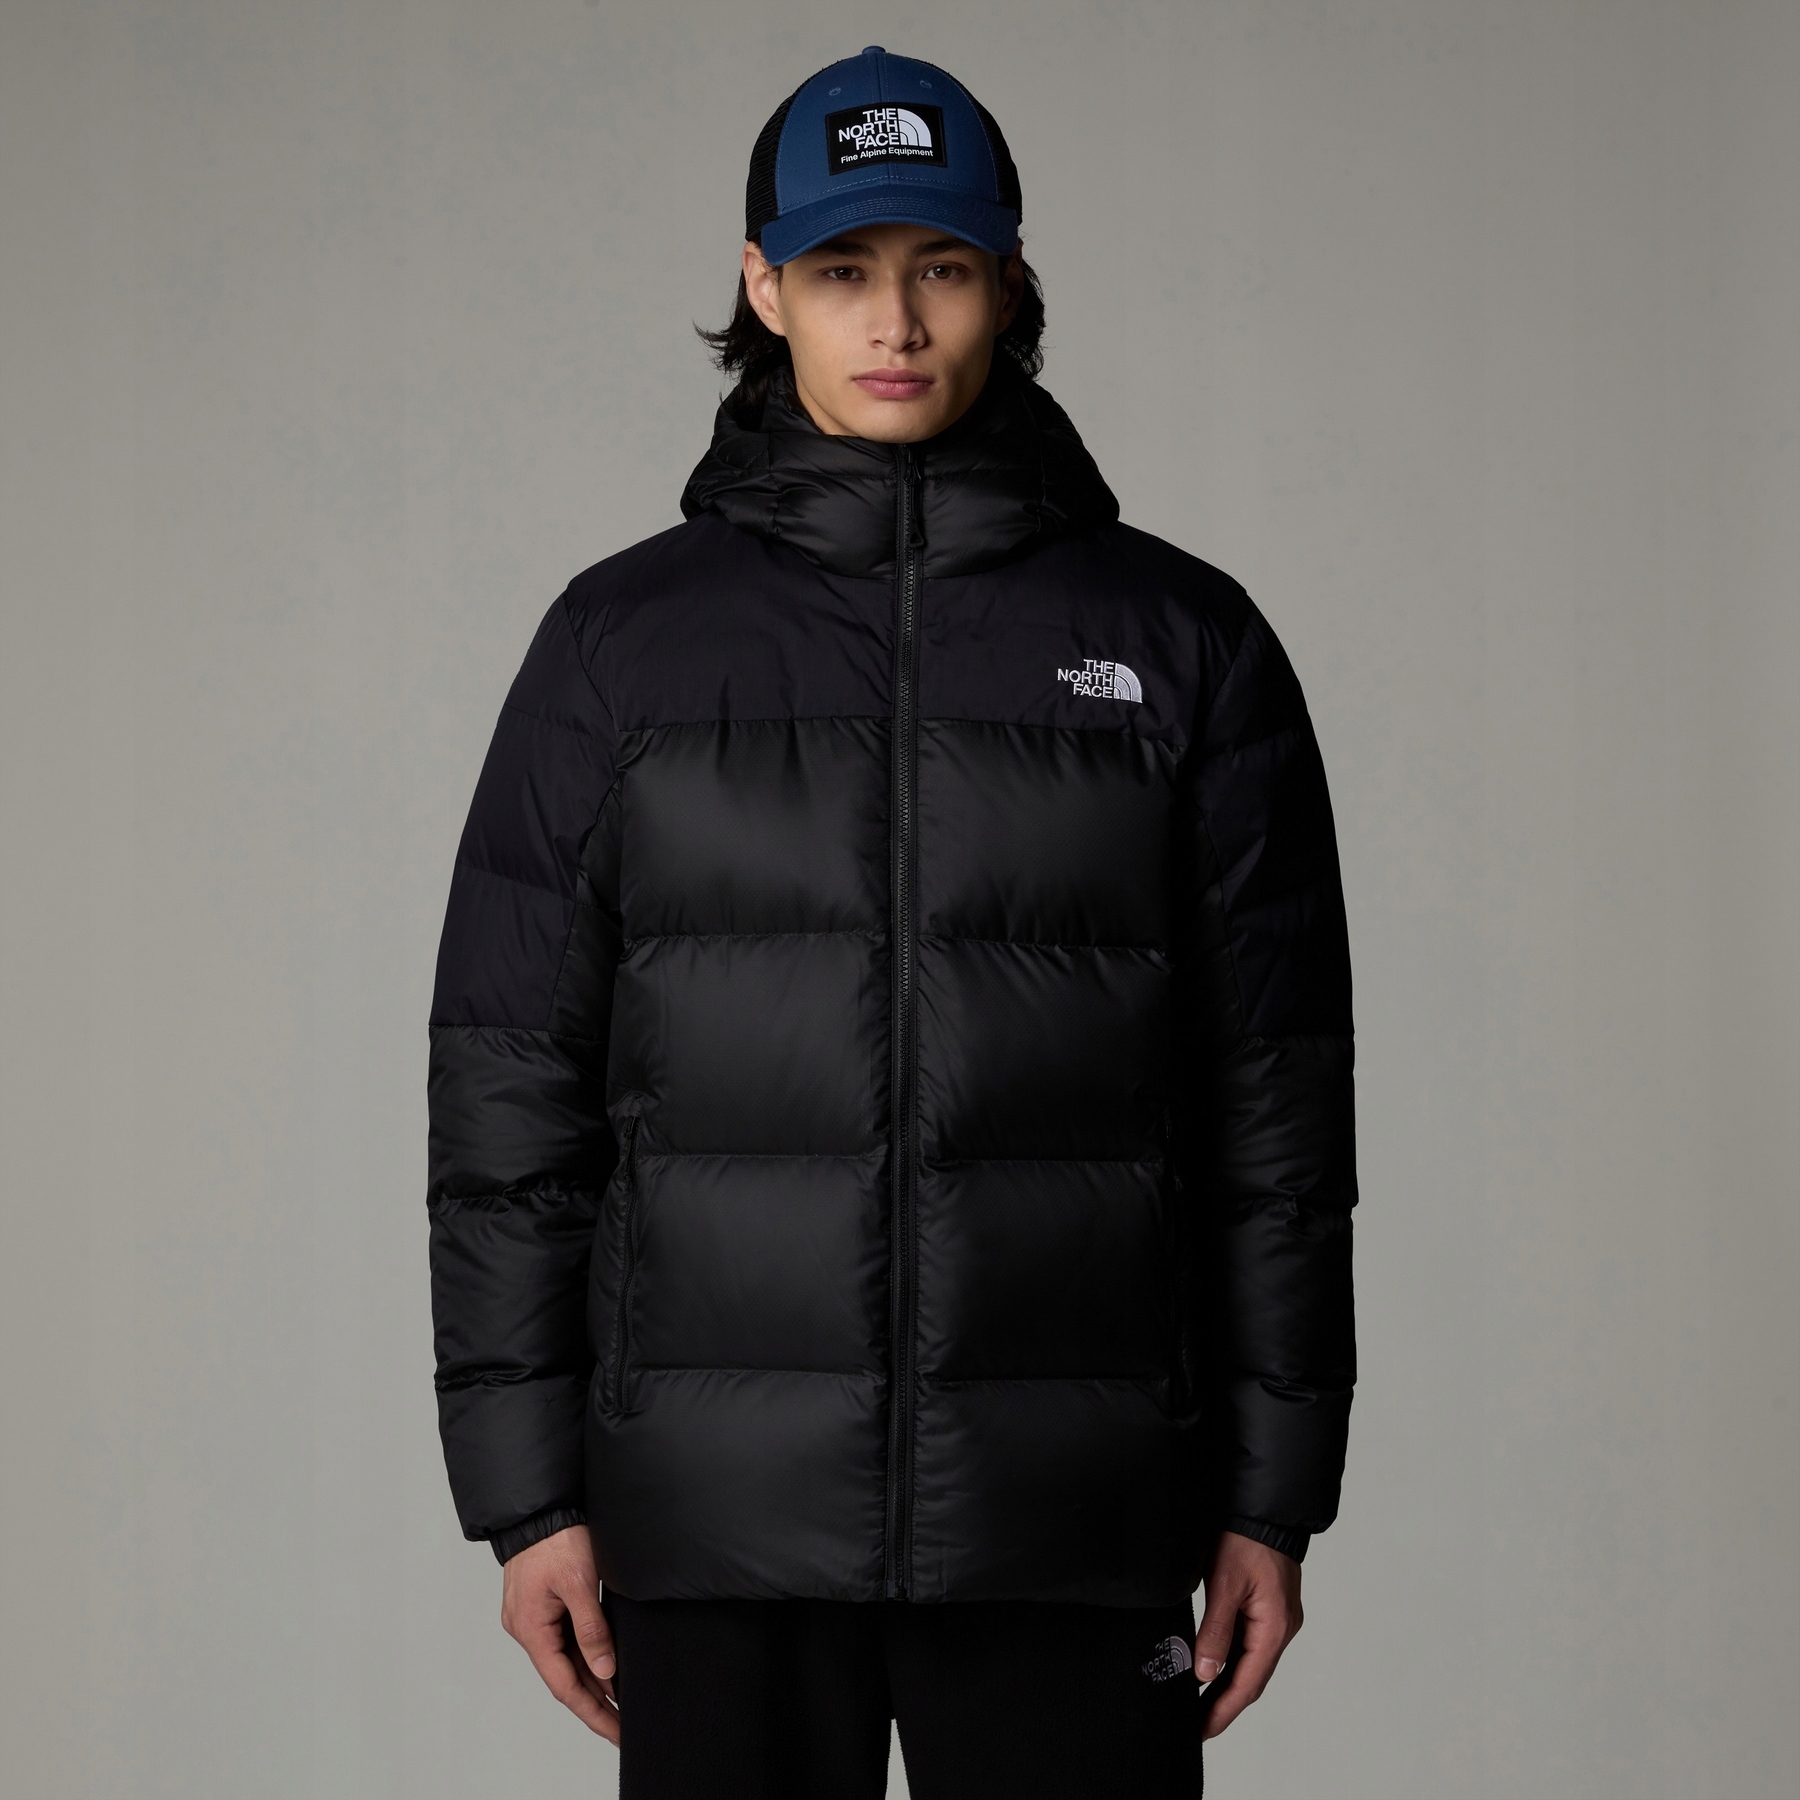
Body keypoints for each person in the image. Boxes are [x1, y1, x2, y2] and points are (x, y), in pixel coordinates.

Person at [426, 45, 1357, 1799]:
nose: (898, 321)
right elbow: (508, 1098)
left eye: (942, 266)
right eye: (844, 268)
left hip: (1073, 1517)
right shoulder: (618, 648)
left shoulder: (1185, 643)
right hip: (713, 1526)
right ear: (764, 286)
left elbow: (1278, 1114)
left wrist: (1270, 1497)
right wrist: (527, 1497)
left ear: (1009, 279)